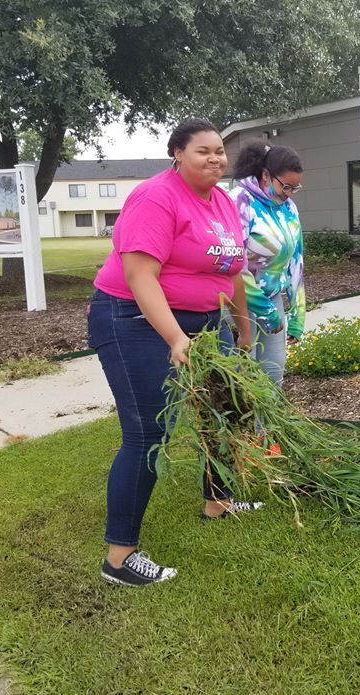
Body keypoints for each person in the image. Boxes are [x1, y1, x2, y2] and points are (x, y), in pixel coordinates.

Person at [88, 118, 254, 588]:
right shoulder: (156, 197)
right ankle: (119, 558)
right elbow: (140, 276)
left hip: (205, 323)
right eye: (204, 151)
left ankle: (217, 501)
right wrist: (175, 338)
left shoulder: (222, 202)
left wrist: (241, 327)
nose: (216, 159)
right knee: (147, 434)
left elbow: (233, 271)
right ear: (177, 154)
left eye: (220, 151)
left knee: (225, 411)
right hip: (135, 321)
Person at [230, 141, 305, 400]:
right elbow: (235, 264)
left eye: (295, 188)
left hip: (273, 301)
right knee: (244, 379)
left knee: (273, 374)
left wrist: (298, 314)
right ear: (265, 175)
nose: (289, 193)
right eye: (286, 186)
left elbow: (296, 260)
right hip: (240, 305)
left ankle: (267, 437)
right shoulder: (239, 201)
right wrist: (267, 312)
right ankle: (244, 438)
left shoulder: (289, 208)